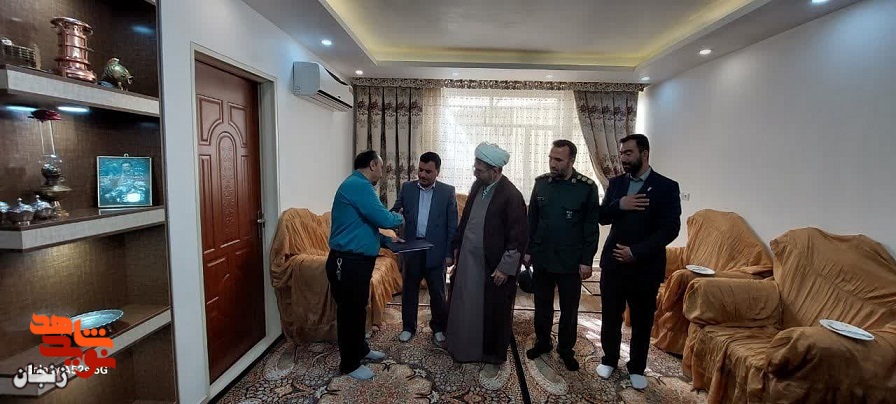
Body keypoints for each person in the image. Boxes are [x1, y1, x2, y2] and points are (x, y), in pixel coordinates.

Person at [595, 134, 681, 390]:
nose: (623, 158)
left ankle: (636, 367)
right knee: (611, 316)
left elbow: (670, 229)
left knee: (642, 321)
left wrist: (636, 251)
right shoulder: (616, 184)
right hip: (613, 264)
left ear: (644, 154)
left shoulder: (666, 187)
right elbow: (602, 216)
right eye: (622, 153)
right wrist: (619, 205)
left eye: (628, 153)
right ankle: (609, 359)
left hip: (645, 267)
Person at [446, 142, 528, 375]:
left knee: (489, 312)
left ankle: (485, 353)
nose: (475, 172)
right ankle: (459, 346)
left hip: (491, 266)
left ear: (495, 170)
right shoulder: (478, 186)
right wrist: (456, 246)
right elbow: (465, 220)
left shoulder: (511, 195)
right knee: (463, 304)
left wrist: (505, 268)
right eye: (475, 167)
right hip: (468, 261)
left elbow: (518, 237)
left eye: (480, 169)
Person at [327, 150, 404, 380]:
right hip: (347, 262)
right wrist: (401, 217)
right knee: (349, 312)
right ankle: (349, 364)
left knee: (358, 308)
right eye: (381, 166)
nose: (382, 171)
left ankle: (361, 350)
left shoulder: (357, 186)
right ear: (372, 165)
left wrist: (387, 241)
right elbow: (383, 219)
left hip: (357, 262)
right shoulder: (358, 186)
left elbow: (363, 225)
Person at [524, 139, 600, 371]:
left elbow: (590, 226)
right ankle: (543, 342)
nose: (552, 163)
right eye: (551, 158)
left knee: (569, 309)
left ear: (571, 161)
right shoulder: (541, 184)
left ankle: (566, 349)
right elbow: (531, 220)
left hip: (570, 261)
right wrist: (527, 251)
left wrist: (587, 260)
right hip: (543, 257)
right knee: (542, 305)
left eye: (558, 159)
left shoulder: (586, 187)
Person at [390, 152, 458, 344]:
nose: (422, 175)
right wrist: (396, 217)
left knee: (438, 293)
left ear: (437, 172)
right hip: (412, 249)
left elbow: (452, 226)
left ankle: (438, 328)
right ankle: (408, 327)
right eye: (420, 170)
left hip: (436, 251)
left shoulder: (447, 192)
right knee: (409, 291)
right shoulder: (407, 188)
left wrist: (449, 254)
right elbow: (394, 211)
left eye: (428, 171)